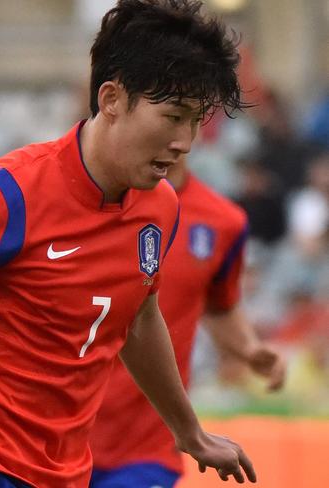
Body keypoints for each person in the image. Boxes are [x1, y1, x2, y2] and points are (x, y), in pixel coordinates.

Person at [0, 1, 256, 487]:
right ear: (111, 99)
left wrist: (189, 433)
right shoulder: (5, 193)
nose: (186, 142)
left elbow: (140, 320)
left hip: (61, 475)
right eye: (173, 117)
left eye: (195, 122)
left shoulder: (159, 208)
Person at [88, 156, 287, 488]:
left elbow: (219, 304)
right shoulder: (86, 204)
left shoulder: (224, 221)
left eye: (188, 119)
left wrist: (249, 348)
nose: (177, 135)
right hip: (61, 436)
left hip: (147, 446)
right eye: (170, 115)